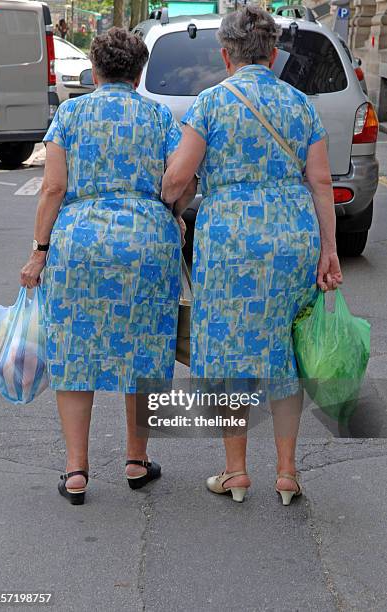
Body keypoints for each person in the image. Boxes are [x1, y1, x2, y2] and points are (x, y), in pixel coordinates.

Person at [162, 6, 342, 505]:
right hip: (293, 237)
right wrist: (329, 250)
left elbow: (179, 177)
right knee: (286, 350)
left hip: (229, 244)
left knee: (227, 352)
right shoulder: (299, 104)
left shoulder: (211, 104)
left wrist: (167, 200)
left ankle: (236, 472)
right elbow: (322, 181)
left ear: (225, 55)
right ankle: (286, 473)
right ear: (275, 53)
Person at [20, 28, 195, 505]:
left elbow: (53, 188)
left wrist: (40, 248)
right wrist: (172, 217)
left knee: (76, 353)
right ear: (139, 74)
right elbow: (181, 178)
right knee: (145, 350)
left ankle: (76, 471)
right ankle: (136, 461)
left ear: (94, 71)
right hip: (146, 243)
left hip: (79, 242)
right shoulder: (157, 115)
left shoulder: (71, 114)